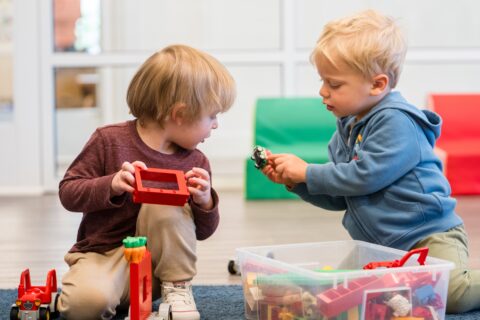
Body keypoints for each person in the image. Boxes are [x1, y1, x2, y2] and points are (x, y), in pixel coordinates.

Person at [262, 10, 480, 314]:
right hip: (382, 247)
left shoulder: (397, 121)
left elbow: (364, 177)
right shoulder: (346, 128)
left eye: (334, 84)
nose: (322, 91)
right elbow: (342, 197)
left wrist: (308, 172)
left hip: (428, 238)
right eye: (322, 80)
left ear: (377, 85)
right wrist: (297, 182)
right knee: (345, 291)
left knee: (451, 293)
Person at [57, 44, 236, 320]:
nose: (215, 125)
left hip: (157, 268)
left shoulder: (196, 162)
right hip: (104, 257)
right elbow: (68, 192)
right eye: (212, 116)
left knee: (163, 205)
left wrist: (205, 201)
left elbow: (204, 232)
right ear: (180, 114)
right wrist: (112, 184)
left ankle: (177, 289)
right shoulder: (108, 140)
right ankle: (91, 292)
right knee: (82, 306)